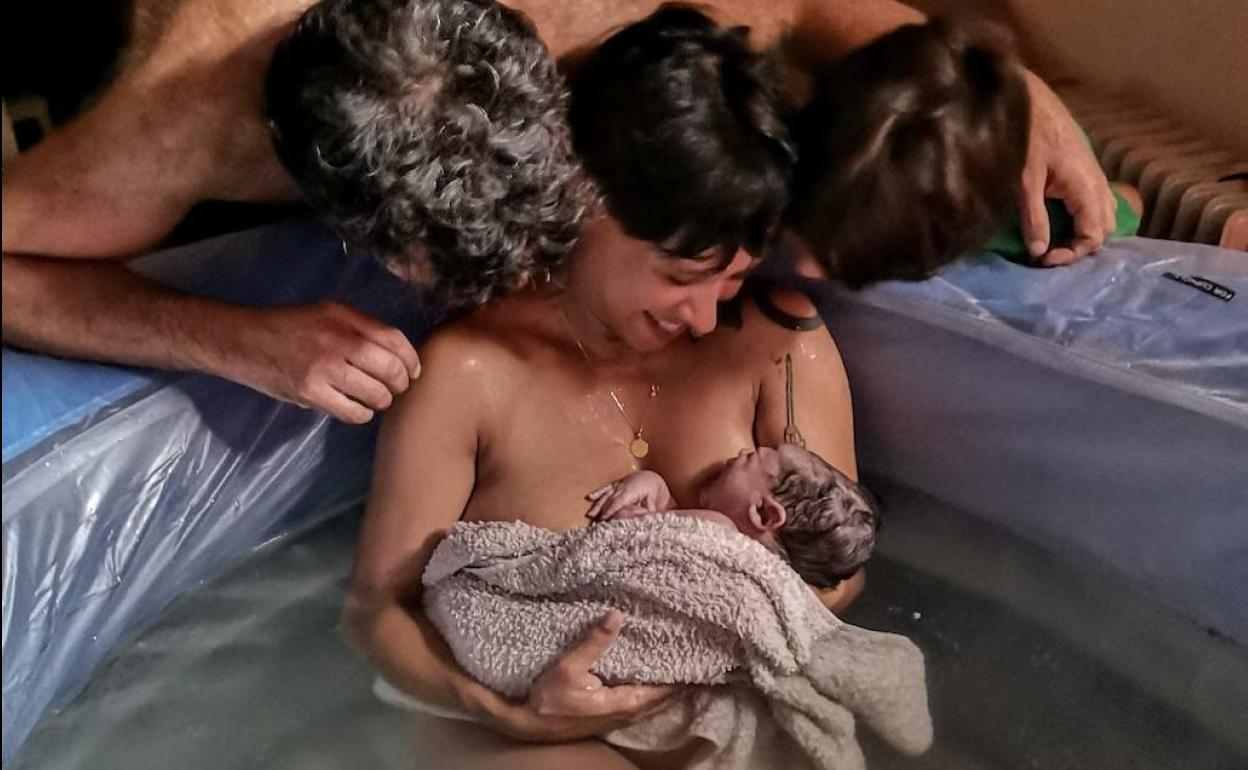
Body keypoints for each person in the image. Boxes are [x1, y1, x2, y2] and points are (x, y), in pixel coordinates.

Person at [1, 0, 1117, 423]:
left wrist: (997, 93)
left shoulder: (600, 11)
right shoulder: (175, 128)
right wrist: (233, 338)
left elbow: (812, 4)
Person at [343, 9, 858, 766]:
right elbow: (375, 612)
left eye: (734, 277)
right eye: (681, 275)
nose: (704, 315)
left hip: (727, 718)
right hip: (520, 730)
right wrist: (508, 713)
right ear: (586, 197)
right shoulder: (473, 375)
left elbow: (840, 567)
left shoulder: (777, 345)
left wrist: (716, 603)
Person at [790, 18, 1141, 287]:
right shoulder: (802, 147)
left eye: (864, 252)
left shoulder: (1031, 221)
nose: (807, 269)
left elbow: (1129, 201)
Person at [586, 443, 880, 591]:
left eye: (749, 458)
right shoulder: (713, 537)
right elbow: (668, 520)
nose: (739, 452)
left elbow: (630, 529)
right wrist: (654, 485)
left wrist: (633, 508)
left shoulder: (722, 531)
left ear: (763, 513)